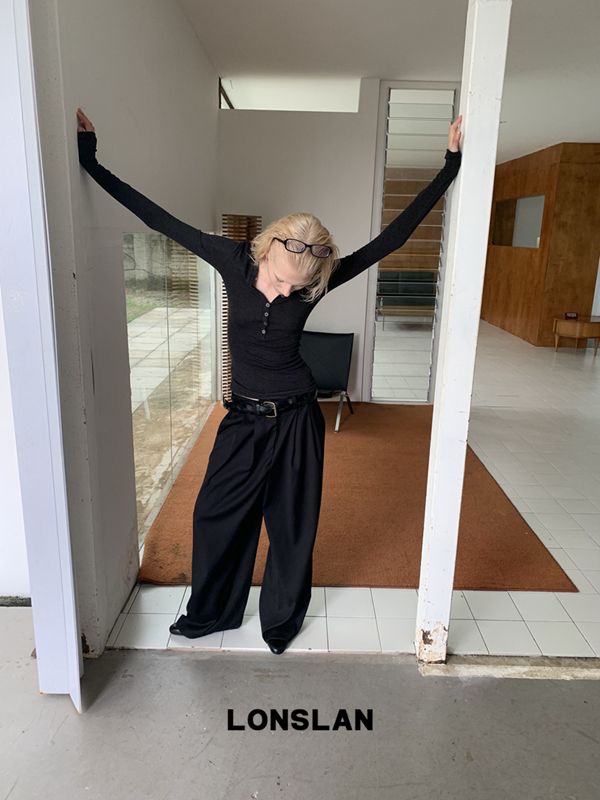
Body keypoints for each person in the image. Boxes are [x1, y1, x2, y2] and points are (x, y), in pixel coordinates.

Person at [76, 107, 463, 654]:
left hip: (298, 420)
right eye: (280, 280)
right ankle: (213, 612)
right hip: (243, 419)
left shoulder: (315, 279)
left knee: (291, 524)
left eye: (298, 289)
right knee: (214, 514)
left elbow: (392, 240)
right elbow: (156, 216)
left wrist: (450, 166)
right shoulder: (230, 259)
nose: (286, 293)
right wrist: (90, 159)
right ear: (267, 250)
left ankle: (280, 621)